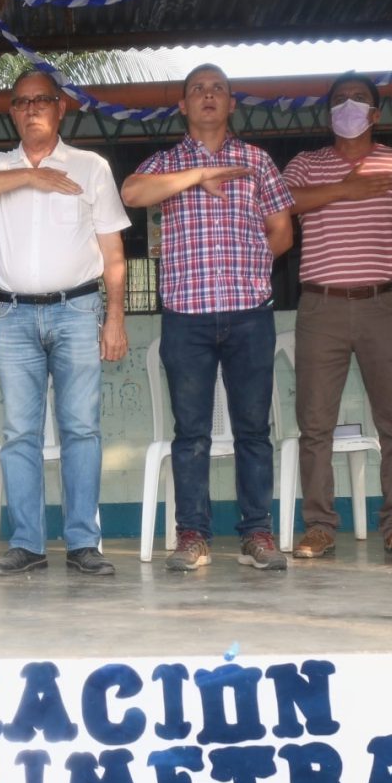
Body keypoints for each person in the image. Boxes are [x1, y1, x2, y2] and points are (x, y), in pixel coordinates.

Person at [0, 68, 131, 577]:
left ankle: (82, 544)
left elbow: (114, 251)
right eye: (22, 103)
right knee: (20, 432)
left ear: (60, 108)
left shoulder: (90, 167)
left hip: (77, 311)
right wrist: (27, 176)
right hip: (14, 315)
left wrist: (114, 318)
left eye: (41, 101)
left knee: (81, 430)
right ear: (13, 112)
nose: (31, 110)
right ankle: (26, 544)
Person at [121, 63, 295, 572]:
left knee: (253, 429)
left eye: (218, 88)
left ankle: (257, 534)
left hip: (248, 313)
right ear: (183, 105)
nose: (208, 95)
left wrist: (253, 271)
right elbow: (132, 193)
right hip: (187, 316)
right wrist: (197, 176)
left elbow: (281, 232)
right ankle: (192, 536)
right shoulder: (166, 162)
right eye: (197, 89)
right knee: (191, 432)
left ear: (232, 103)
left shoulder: (257, 161)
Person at [283, 74, 392, 561]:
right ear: (328, 114)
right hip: (321, 306)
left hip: (385, 303)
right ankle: (320, 527)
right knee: (315, 425)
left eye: (359, 100)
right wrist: (345, 190)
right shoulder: (306, 164)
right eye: (338, 101)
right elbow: (283, 205)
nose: (348, 107)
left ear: (375, 115)